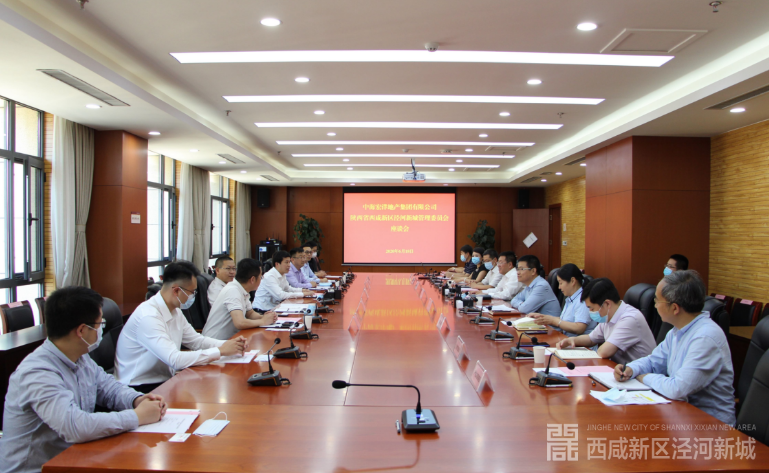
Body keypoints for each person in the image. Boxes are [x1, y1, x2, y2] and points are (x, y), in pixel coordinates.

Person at [0, 287, 166, 473]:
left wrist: (137, 400)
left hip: (73, 459)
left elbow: (108, 388)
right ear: (81, 330)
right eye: (100, 324)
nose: (101, 330)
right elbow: (74, 426)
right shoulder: (38, 372)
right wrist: (137, 416)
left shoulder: (80, 357)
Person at [616, 271, 735, 426]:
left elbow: (678, 388)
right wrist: (631, 369)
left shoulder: (705, 337)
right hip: (681, 415)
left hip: (710, 425)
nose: (655, 305)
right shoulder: (677, 331)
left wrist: (644, 377)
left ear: (674, 308)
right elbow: (653, 361)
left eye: (657, 300)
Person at [115, 260, 248, 393]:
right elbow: (175, 359)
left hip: (164, 380)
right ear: (177, 291)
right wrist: (220, 351)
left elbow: (197, 341)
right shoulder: (148, 316)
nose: (193, 296)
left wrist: (230, 345)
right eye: (192, 292)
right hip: (138, 388)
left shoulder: (175, 310)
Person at [556, 277, 656, 365]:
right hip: (620, 370)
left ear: (607, 304)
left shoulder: (630, 319)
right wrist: (572, 340)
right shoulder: (609, 315)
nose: (590, 312)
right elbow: (591, 339)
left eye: (592, 308)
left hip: (640, 376)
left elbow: (603, 352)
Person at [203, 259, 280, 339]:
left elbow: (250, 313)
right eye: (261, 277)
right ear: (252, 279)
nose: (261, 279)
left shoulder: (241, 289)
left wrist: (266, 317)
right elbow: (239, 323)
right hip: (215, 341)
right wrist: (263, 321)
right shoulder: (233, 291)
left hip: (232, 339)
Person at [532, 263, 597, 336]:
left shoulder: (582, 300)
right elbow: (566, 321)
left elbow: (579, 328)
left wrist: (553, 321)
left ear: (572, 281)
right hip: (567, 339)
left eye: (561, 283)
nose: (559, 287)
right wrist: (544, 318)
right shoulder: (571, 297)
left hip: (580, 342)